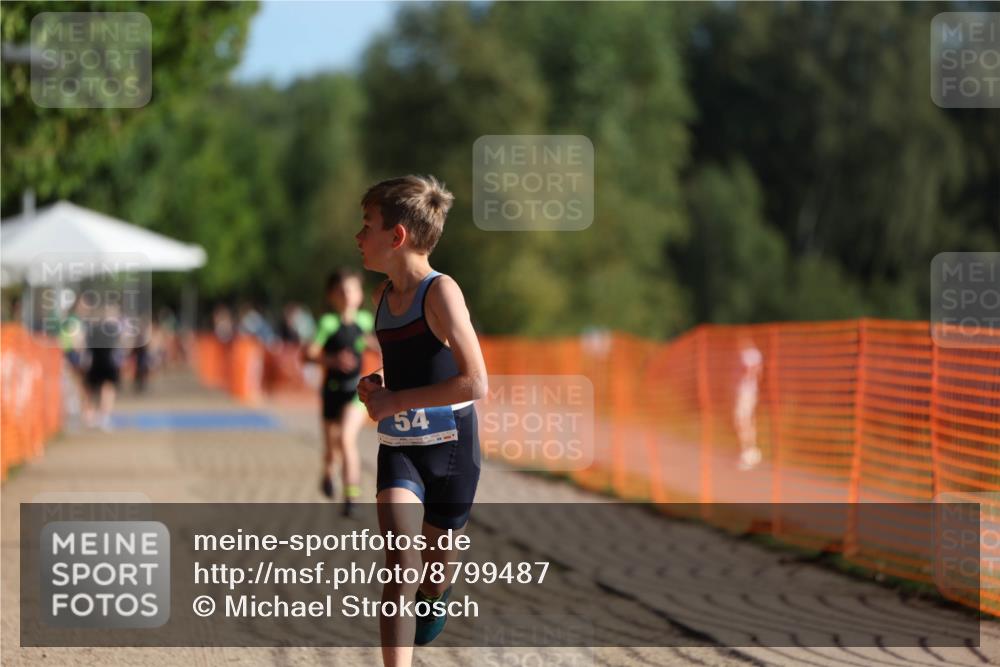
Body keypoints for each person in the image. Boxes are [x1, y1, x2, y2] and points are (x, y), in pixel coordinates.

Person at [355, 175, 488, 665]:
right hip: (401, 451)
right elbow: (403, 369)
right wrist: (377, 385)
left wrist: (397, 400)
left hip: (453, 451)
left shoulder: (441, 291)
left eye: (366, 225)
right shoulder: (382, 300)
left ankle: (439, 592)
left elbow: (476, 384)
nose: (357, 236)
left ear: (397, 237)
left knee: (432, 577)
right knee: (399, 564)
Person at [303, 270, 377, 517]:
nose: (347, 295)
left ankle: (351, 497)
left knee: (346, 439)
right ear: (332, 295)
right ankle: (327, 473)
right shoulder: (327, 323)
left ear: (359, 295)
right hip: (331, 391)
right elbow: (308, 354)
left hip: (355, 392)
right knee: (331, 449)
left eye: (352, 290)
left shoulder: (366, 321)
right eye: (342, 291)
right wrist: (332, 360)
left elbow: (375, 343)